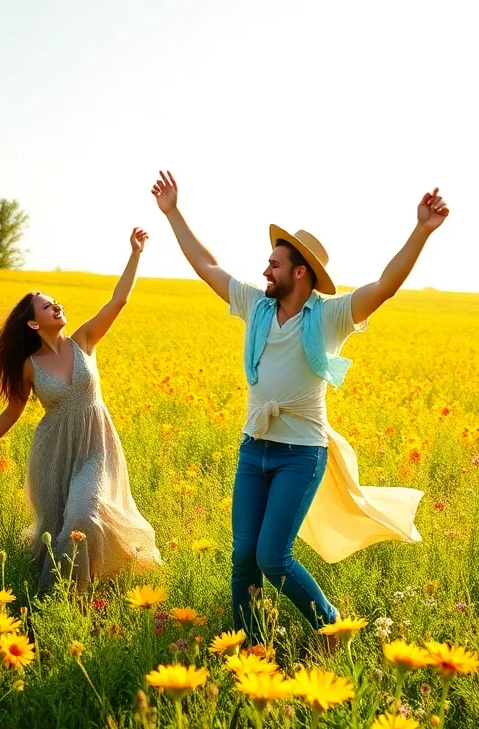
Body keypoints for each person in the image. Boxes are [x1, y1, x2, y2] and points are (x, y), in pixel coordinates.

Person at [150, 171, 447, 642]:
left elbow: (385, 285)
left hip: (299, 454)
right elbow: (208, 267)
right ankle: (246, 645)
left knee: (274, 557)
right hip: (255, 448)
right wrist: (173, 214)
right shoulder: (257, 307)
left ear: (299, 272)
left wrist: (421, 230)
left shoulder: (329, 316)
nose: (265, 271)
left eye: (274, 264)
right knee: (243, 555)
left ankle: (331, 627)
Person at [0, 227, 163, 591]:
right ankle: (66, 599)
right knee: (57, 530)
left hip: (96, 446)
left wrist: (136, 253)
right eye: (48, 305)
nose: (58, 306)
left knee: (83, 516)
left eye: (57, 302)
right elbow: (13, 411)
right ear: (34, 323)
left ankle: (78, 599)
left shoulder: (83, 340)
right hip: (53, 453)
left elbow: (118, 301)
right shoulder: (29, 366)